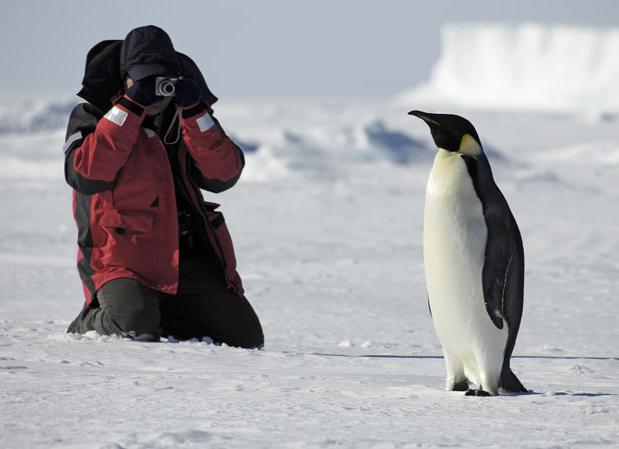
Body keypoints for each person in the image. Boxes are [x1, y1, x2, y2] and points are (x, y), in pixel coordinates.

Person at [64, 25, 263, 348]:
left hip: (183, 252)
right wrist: (130, 108)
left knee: (244, 338)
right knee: (134, 328)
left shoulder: (186, 115)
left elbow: (224, 175)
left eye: (163, 80)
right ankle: (89, 321)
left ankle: (154, 312)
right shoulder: (93, 114)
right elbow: (87, 173)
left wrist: (195, 112)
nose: (157, 91)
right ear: (125, 79)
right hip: (122, 256)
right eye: (144, 80)